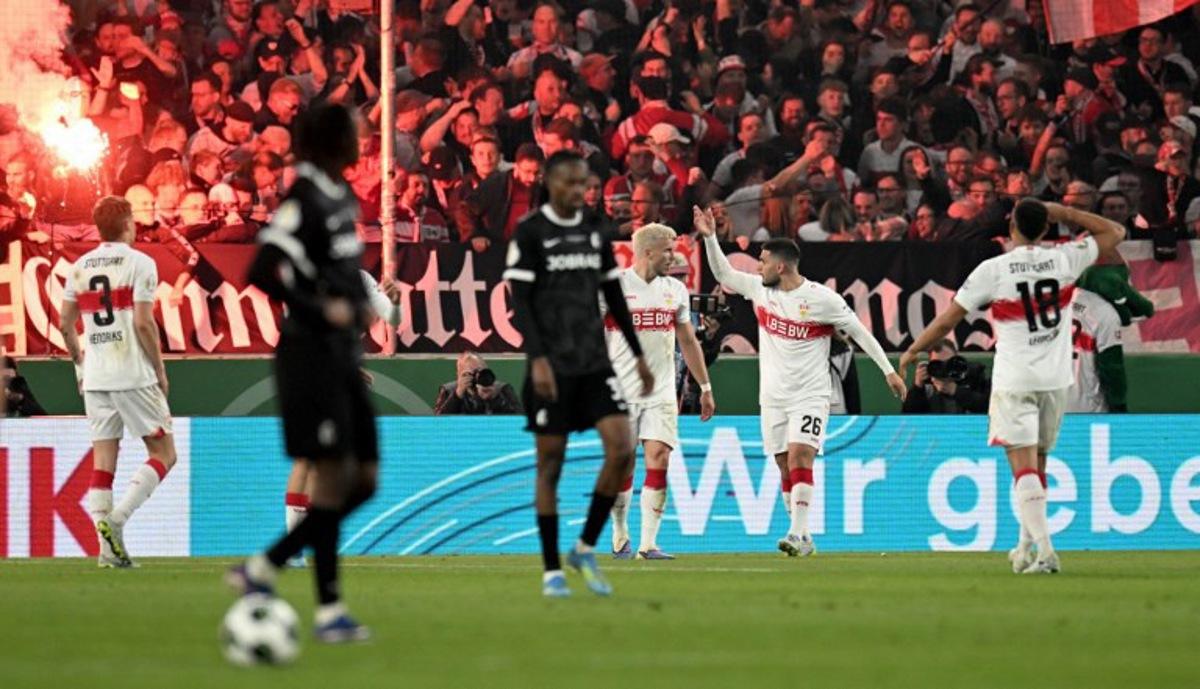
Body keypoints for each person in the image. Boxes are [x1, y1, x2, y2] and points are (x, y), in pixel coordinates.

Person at [899, 199, 1126, 575]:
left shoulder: (994, 269)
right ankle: (1024, 547)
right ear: (1045, 226)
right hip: (1056, 381)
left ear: (1011, 228)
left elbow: (947, 322)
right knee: (1037, 467)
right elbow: (1115, 232)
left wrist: (913, 349)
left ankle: (1047, 550)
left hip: (1015, 379)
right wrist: (1066, 213)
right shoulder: (1065, 259)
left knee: (1022, 468)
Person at [226, 103, 377, 642]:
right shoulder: (304, 195)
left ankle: (265, 566)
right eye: (353, 132)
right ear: (333, 140)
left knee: (365, 479)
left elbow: (344, 268)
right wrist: (321, 310)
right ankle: (330, 611)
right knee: (333, 476)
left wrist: (359, 305)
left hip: (342, 354)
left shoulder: (341, 194)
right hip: (308, 353)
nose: (362, 139)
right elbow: (262, 269)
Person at [694, 205, 906, 557]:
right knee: (782, 462)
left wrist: (888, 370)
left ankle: (796, 532)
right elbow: (724, 273)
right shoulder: (761, 290)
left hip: (810, 394)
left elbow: (860, 333)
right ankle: (803, 536)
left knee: (800, 456)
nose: (757, 267)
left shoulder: (822, 298)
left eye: (762, 262)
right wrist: (710, 237)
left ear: (780, 266)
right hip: (773, 396)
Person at [503, 149, 653, 598]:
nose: (578, 190)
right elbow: (521, 304)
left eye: (583, 183)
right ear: (550, 182)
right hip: (552, 365)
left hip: (594, 363)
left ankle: (586, 545)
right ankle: (551, 569)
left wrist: (638, 354)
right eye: (569, 182)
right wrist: (539, 360)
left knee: (623, 450)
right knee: (550, 464)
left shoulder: (593, 232)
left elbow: (614, 293)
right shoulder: (530, 232)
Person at [58, 196, 177, 569]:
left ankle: (107, 553)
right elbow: (143, 323)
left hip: (95, 377)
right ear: (127, 222)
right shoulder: (141, 262)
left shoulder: (78, 267)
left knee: (103, 460)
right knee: (164, 454)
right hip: (133, 373)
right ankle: (117, 519)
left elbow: (65, 323)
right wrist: (159, 370)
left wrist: (80, 364)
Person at [604, 223, 716, 561]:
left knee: (660, 459)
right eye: (668, 249)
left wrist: (705, 385)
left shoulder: (675, 290)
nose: (674, 256)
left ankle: (648, 544)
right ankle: (620, 530)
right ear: (648, 252)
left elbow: (687, 339)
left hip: (662, 391)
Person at [1068, 281, 1127, 413]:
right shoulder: (1100, 309)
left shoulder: (1021, 304)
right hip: (1088, 414)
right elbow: (1113, 370)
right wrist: (1120, 410)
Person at [901, 339, 990, 414]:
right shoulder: (927, 385)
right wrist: (917, 387)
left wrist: (955, 391)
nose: (944, 369)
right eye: (938, 364)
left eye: (949, 363)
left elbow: (987, 407)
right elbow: (909, 417)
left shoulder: (971, 376)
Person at [434, 351, 522, 415]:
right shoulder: (448, 391)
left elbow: (519, 419)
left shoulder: (502, 389)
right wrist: (457, 396)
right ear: (459, 375)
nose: (476, 377)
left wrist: (495, 399)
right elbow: (438, 423)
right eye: (469, 374)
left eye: (480, 372)